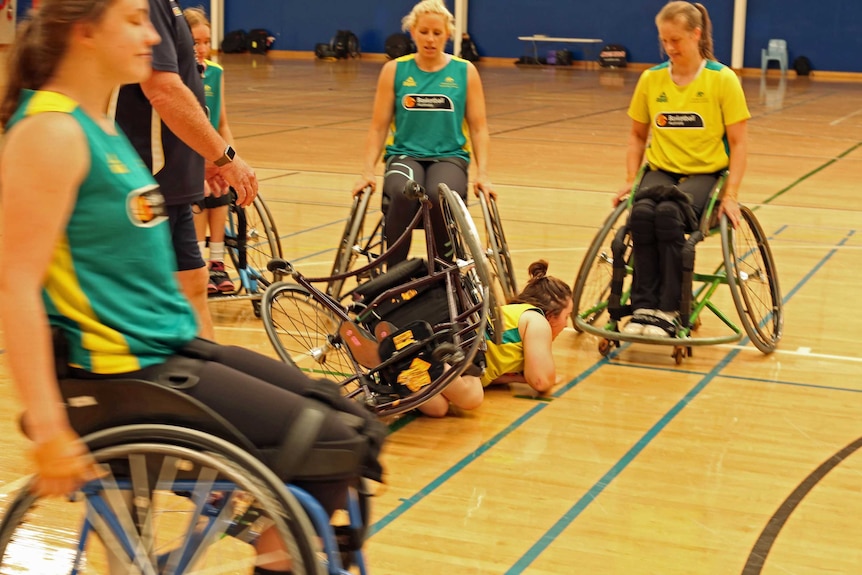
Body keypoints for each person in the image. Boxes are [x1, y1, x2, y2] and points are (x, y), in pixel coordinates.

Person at [0, 2, 384, 574]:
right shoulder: (49, 133)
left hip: (170, 347)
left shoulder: (98, 124)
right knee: (326, 441)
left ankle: (283, 548)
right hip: (124, 371)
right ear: (84, 32)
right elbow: (15, 285)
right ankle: (283, 554)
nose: (152, 33)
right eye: (133, 19)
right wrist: (51, 428)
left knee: (347, 421)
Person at [113, 0, 259, 339]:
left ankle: (203, 382)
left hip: (175, 181)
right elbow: (163, 90)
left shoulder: (168, 5)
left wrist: (203, 156)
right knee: (148, 303)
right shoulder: (149, 4)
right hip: (147, 184)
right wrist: (226, 157)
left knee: (193, 286)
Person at [613, 1, 750, 338]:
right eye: (664, 41)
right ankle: (644, 306)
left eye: (676, 40)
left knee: (669, 216)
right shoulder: (651, 79)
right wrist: (631, 182)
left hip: (705, 175)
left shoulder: (722, 79)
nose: (670, 48)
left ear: (696, 34)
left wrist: (731, 195)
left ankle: (670, 308)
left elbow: (741, 144)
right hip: (662, 171)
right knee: (642, 213)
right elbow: (636, 136)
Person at [351, 0, 494, 265]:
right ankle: (393, 277)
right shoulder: (394, 70)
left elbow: (479, 127)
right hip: (404, 155)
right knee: (407, 191)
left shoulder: (465, 72)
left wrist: (483, 175)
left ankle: (445, 271)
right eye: (424, 32)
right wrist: (367, 171)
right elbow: (378, 126)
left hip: (449, 157)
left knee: (441, 195)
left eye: (437, 33)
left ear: (447, 35)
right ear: (413, 31)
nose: (430, 39)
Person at [460, 261, 572, 396]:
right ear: (550, 315)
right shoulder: (537, 321)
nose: (566, 325)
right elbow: (541, 382)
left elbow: (488, 375)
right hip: (454, 352)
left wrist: (520, 377)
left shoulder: (516, 315)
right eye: (566, 316)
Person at [184, 6, 235, 295]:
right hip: (187, 156)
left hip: (213, 153)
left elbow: (223, 123)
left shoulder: (215, 72)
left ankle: (218, 263)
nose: (202, 49)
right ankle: (200, 263)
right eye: (195, 43)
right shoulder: (178, 76)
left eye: (206, 42)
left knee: (221, 186)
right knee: (201, 188)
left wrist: (232, 159)